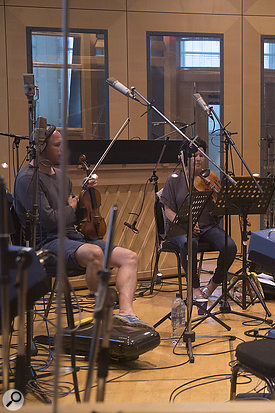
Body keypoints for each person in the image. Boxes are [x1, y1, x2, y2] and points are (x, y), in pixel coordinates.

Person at [14, 125, 151, 328]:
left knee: (130, 257)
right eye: (58, 145)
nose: (63, 150)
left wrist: (85, 196)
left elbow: (74, 216)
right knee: (95, 253)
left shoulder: (62, 177)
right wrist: (71, 206)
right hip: (46, 242)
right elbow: (49, 220)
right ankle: (103, 306)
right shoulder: (28, 179)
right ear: (41, 148)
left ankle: (126, 314)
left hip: (72, 238)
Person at [159, 138, 237, 303]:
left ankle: (213, 285)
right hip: (181, 229)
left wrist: (217, 195)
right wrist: (184, 223)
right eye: (195, 155)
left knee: (230, 246)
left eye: (202, 155)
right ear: (186, 158)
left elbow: (219, 211)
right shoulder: (174, 179)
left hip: (207, 227)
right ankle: (194, 287)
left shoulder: (209, 177)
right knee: (190, 243)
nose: (199, 159)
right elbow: (168, 211)